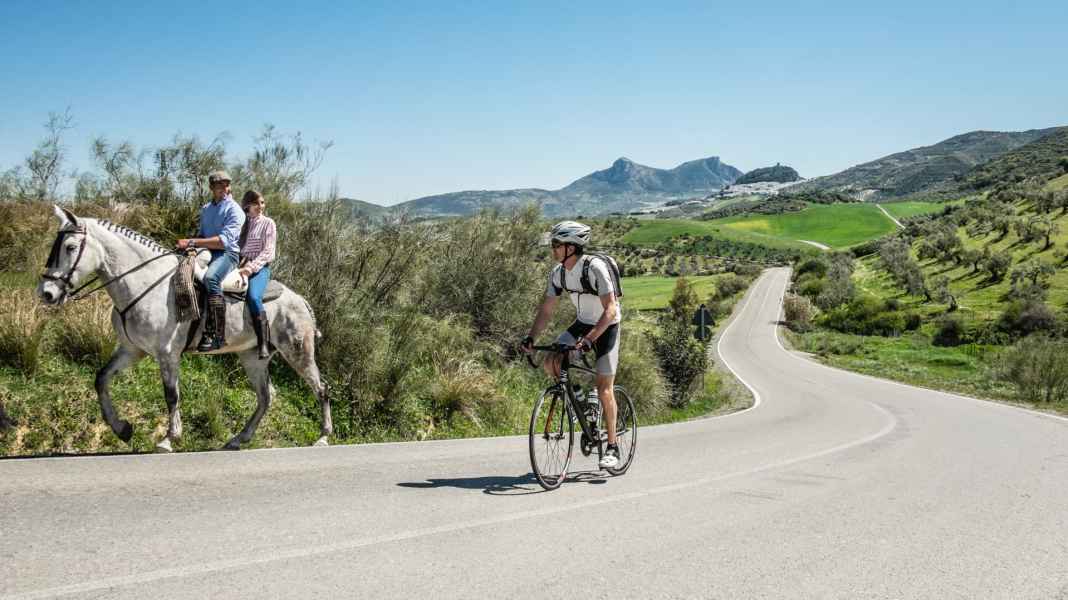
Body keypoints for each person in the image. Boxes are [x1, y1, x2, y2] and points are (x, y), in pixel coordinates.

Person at [520, 221, 623, 469]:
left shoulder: (595, 268)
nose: (552, 248)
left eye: (557, 244)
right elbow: (547, 310)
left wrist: (589, 340)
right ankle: (580, 400)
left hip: (606, 326)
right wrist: (531, 337)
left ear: (572, 247)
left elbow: (610, 309)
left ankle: (612, 447)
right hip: (582, 323)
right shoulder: (559, 273)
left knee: (604, 388)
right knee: (551, 362)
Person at [177, 170, 245, 351]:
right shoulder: (206, 209)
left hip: (227, 254)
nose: (224, 188)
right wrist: (189, 245)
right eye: (219, 185)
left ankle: (216, 335)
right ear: (211, 188)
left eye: (226, 185)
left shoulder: (234, 210)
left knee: (211, 278)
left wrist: (191, 242)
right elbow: (203, 235)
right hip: (206, 251)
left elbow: (223, 242)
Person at [237, 190, 276, 359]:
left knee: (253, 297)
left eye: (262, 203)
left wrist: (250, 268)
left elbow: (268, 251)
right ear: (247, 206)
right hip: (239, 264)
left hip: (259, 268)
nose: (260, 206)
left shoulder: (268, 223)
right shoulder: (242, 223)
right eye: (256, 203)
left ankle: (263, 343)